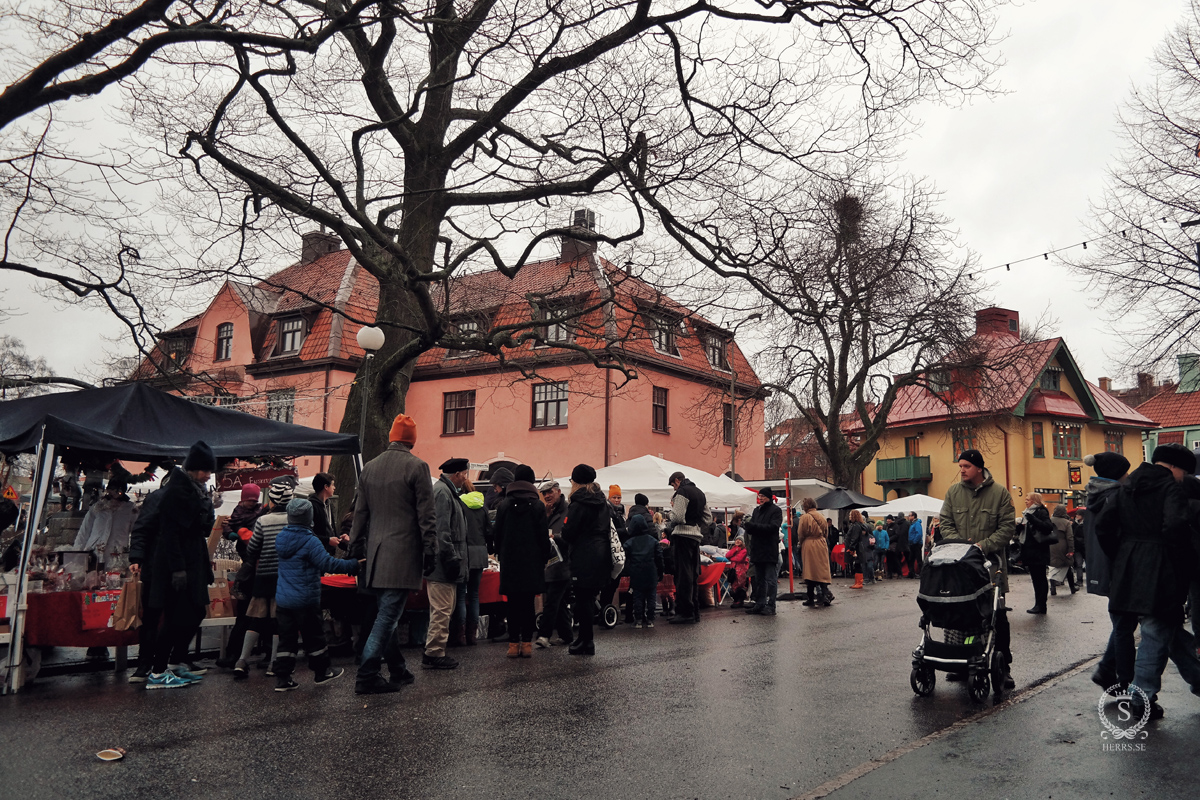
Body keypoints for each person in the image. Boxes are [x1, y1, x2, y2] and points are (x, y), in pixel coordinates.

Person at [1100, 443, 1200, 720]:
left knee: (1169, 632)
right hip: (1161, 570)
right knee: (1156, 632)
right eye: (1184, 471)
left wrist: (1123, 555)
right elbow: (1176, 526)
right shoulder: (1171, 489)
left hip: (1127, 570)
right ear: (1174, 467)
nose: (1184, 477)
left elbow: (1103, 527)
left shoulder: (1126, 486)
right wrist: (1177, 561)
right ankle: (1140, 696)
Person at [348, 413, 436, 695]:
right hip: (402, 553)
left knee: (385, 615)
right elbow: (426, 515)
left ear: (391, 437)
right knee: (387, 617)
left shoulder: (370, 468)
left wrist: (355, 545)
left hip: (375, 555)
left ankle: (397, 668)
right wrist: (431, 549)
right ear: (412, 440)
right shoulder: (417, 467)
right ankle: (367, 673)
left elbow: (360, 512)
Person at [938, 449, 1016, 689]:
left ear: (979, 468)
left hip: (990, 565)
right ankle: (961, 662)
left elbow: (1007, 526)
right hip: (959, 566)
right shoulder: (953, 492)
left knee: (997, 615)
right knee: (960, 613)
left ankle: (1004, 668)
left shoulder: (999, 493)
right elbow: (945, 523)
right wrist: (960, 545)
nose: (961, 470)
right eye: (960, 466)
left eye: (966, 466)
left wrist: (983, 546)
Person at [143, 441, 217, 689]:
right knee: (177, 616)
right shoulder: (177, 492)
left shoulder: (194, 490)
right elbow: (169, 533)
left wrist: (209, 506)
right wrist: (177, 569)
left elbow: (202, 527)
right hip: (179, 565)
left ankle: (173, 663)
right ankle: (159, 670)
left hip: (191, 561)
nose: (208, 475)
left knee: (194, 612)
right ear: (194, 468)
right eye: (205, 470)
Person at [272, 498, 360, 691]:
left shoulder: (281, 537)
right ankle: (322, 672)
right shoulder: (309, 541)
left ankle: (283, 678)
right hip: (305, 598)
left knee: (287, 640)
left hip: (284, 600)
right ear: (308, 517)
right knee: (314, 637)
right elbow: (328, 564)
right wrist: (353, 565)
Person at [1083, 451, 1134, 691]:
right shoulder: (1116, 496)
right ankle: (1111, 674)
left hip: (1101, 567)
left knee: (1121, 622)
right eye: (1125, 471)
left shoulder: (1094, 494)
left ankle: (1109, 671)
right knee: (1124, 624)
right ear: (1118, 473)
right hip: (1117, 568)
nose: (1128, 475)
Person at [493, 465, 550, 658]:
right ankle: (526, 644)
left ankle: (512, 644)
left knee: (512, 604)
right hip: (531, 562)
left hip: (510, 562)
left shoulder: (504, 505)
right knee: (527, 604)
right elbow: (543, 536)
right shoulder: (538, 505)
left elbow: (497, 534)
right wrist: (544, 556)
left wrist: (500, 553)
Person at [242, 477, 296, 675]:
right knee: (277, 622)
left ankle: (242, 660)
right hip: (284, 577)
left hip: (263, 576)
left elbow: (253, 549)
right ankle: (274, 663)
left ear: (272, 501)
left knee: (256, 619)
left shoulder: (262, 520)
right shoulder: (293, 521)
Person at [561, 464, 612, 655]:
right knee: (589, 598)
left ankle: (586, 641)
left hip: (584, 554)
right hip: (601, 554)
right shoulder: (602, 502)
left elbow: (569, 532)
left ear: (576, 482)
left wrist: (561, 535)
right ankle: (584, 639)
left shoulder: (578, 503)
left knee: (583, 599)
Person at [216, 483, 267, 671]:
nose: (251, 504)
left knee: (254, 614)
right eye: (248, 500)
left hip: (256, 569)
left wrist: (238, 532)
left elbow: (251, 539)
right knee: (249, 614)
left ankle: (238, 656)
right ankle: (237, 655)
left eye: (254, 500)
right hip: (248, 567)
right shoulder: (236, 514)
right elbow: (229, 531)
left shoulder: (261, 515)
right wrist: (230, 531)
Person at [426, 457, 470, 669]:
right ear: (458, 474)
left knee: (444, 609)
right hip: (443, 565)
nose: (466, 478)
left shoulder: (445, 491)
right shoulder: (443, 493)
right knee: (442, 610)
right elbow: (442, 531)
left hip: (445, 563)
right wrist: (451, 558)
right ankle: (434, 653)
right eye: (465, 474)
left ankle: (435, 651)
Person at [452, 478, 490, 647]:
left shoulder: (459, 505)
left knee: (460, 595)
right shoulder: (482, 507)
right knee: (474, 594)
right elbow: (489, 531)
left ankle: (460, 635)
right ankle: (472, 636)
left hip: (464, 552)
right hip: (480, 552)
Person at [536, 480, 573, 648]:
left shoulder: (568, 511)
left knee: (552, 600)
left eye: (550, 492)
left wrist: (556, 538)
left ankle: (544, 635)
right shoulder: (547, 512)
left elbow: (571, 536)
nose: (547, 496)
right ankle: (566, 635)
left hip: (563, 564)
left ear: (558, 491)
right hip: (549, 564)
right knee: (559, 602)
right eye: (544, 494)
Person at [667, 470, 707, 625]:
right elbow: (708, 517)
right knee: (693, 575)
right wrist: (696, 526)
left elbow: (677, 516)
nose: (674, 489)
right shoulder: (700, 493)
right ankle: (695, 611)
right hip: (695, 537)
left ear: (677, 480)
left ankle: (685, 612)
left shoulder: (682, 492)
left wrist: (670, 517)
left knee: (683, 576)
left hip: (682, 536)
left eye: (673, 485)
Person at [743, 487, 783, 616]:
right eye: (759, 496)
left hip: (769, 549)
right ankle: (760, 603)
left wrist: (753, 527)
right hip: (757, 549)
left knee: (771, 579)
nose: (760, 498)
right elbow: (754, 528)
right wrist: (749, 527)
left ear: (769, 497)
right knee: (759, 579)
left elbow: (773, 527)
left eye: (763, 496)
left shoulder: (776, 511)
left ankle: (771, 605)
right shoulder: (756, 510)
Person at [1015, 492, 1054, 614]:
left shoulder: (1040, 511)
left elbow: (1048, 527)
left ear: (1034, 501)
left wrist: (1033, 519)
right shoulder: (1027, 513)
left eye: (1028, 499)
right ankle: (1038, 604)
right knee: (1036, 579)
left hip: (1039, 550)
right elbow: (1026, 532)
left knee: (1040, 578)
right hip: (1030, 550)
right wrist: (1019, 528)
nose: (1025, 501)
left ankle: (1041, 605)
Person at [623, 512, 664, 628]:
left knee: (638, 597)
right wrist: (660, 572)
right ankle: (650, 619)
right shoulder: (653, 541)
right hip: (651, 571)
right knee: (651, 595)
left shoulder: (629, 542)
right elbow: (659, 557)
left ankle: (639, 619)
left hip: (636, 572)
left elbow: (625, 559)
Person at [798, 497, 834, 607]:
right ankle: (824, 594)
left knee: (810, 571)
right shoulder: (822, 517)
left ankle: (811, 597)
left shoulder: (805, 517)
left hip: (809, 544)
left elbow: (801, 533)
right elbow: (826, 532)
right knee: (821, 570)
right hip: (821, 543)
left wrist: (801, 543)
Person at [309, 472, 347, 555]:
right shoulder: (311, 506)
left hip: (329, 553)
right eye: (332, 485)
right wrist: (328, 540)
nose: (334, 488)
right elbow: (308, 534)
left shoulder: (328, 504)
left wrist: (340, 539)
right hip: (317, 554)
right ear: (326, 487)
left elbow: (330, 529)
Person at [1047, 504, 1076, 596]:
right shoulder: (1066, 522)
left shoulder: (1049, 521)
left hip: (1051, 545)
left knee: (1052, 566)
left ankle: (1053, 587)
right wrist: (1071, 549)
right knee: (1067, 566)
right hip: (1063, 545)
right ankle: (1072, 588)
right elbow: (1070, 537)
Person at [844, 509, 868, 588]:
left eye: (851, 515)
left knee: (857, 565)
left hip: (856, 549)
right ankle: (857, 582)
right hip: (857, 548)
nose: (849, 517)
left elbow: (854, 538)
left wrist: (851, 548)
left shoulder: (856, 526)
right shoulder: (857, 525)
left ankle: (859, 583)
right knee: (857, 565)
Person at [725, 536, 750, 608]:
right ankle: (736, 600)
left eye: (740, 540)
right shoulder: (734, 549)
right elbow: (727, 555)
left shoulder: (744, 550)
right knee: (733, 584)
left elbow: (739, 558)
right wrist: (735, 549)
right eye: (737, 540)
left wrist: (732, 558)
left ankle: (740, 600)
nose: (738, 541)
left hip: (741, 571)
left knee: (740, 585)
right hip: (734, 570)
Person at [906, 512, 924, 579]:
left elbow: (919, 533)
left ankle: (922, 573)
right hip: (912, 544)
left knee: (918, 559)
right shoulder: (912, 524)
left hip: (916, 544)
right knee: (911, 559)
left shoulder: (917, 524)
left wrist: (914, 541)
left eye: (910, 516)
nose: (909, 517)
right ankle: (912, 573)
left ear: (914, 516)